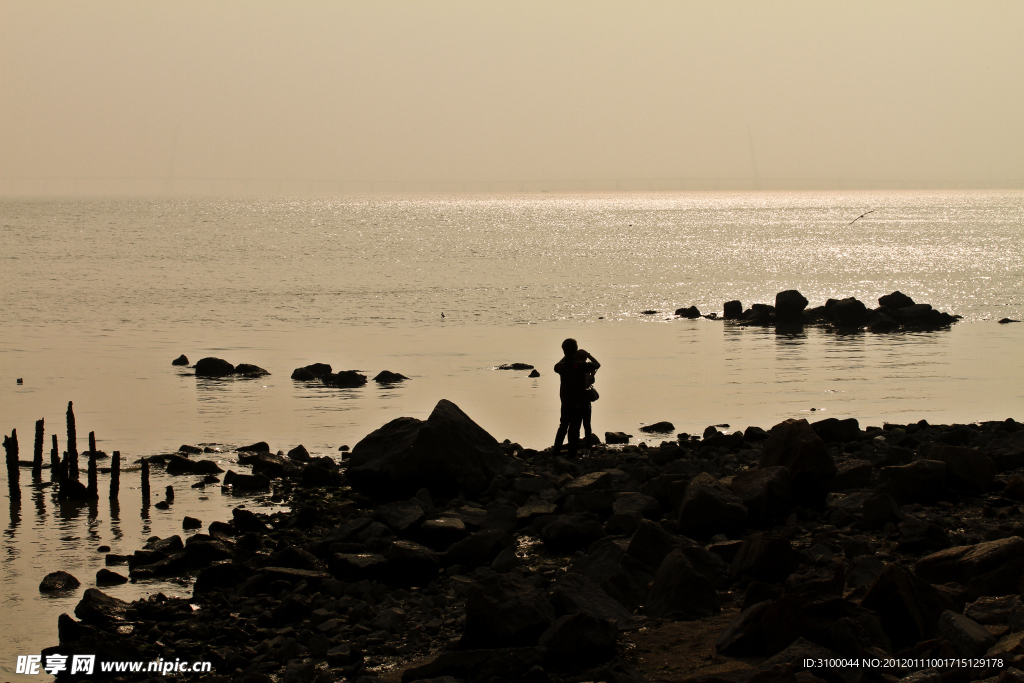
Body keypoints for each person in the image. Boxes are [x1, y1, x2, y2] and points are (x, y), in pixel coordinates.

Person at [553, 338, 600, 458]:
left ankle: (556, 452)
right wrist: (587, 354)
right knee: (574, 428)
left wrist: (568, 356)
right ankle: (572, 454)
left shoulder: (561, 367)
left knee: (563, 426)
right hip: (578, 402)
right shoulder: (579, 366)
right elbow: (597, 364)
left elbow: (556, 366)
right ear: (575, 351)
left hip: (565, 401)